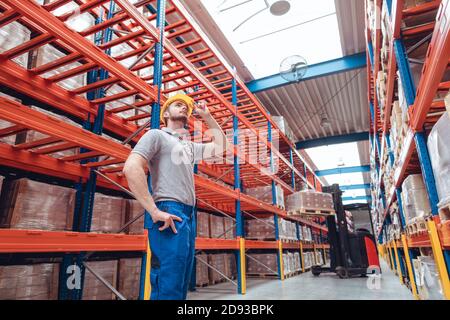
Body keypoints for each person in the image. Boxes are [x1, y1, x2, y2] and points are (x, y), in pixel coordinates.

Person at [123, 93, 228, 300]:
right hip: (170, 210)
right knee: (168, 281)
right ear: (166, 113)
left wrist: (207, 117)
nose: (184, 109)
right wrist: (153, 210)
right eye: (178, 105)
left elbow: (221, 146)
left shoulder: (188, 146)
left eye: (186, 108)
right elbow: (131, 167)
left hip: (188, 215)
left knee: (181, 281)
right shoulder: (157, 135)